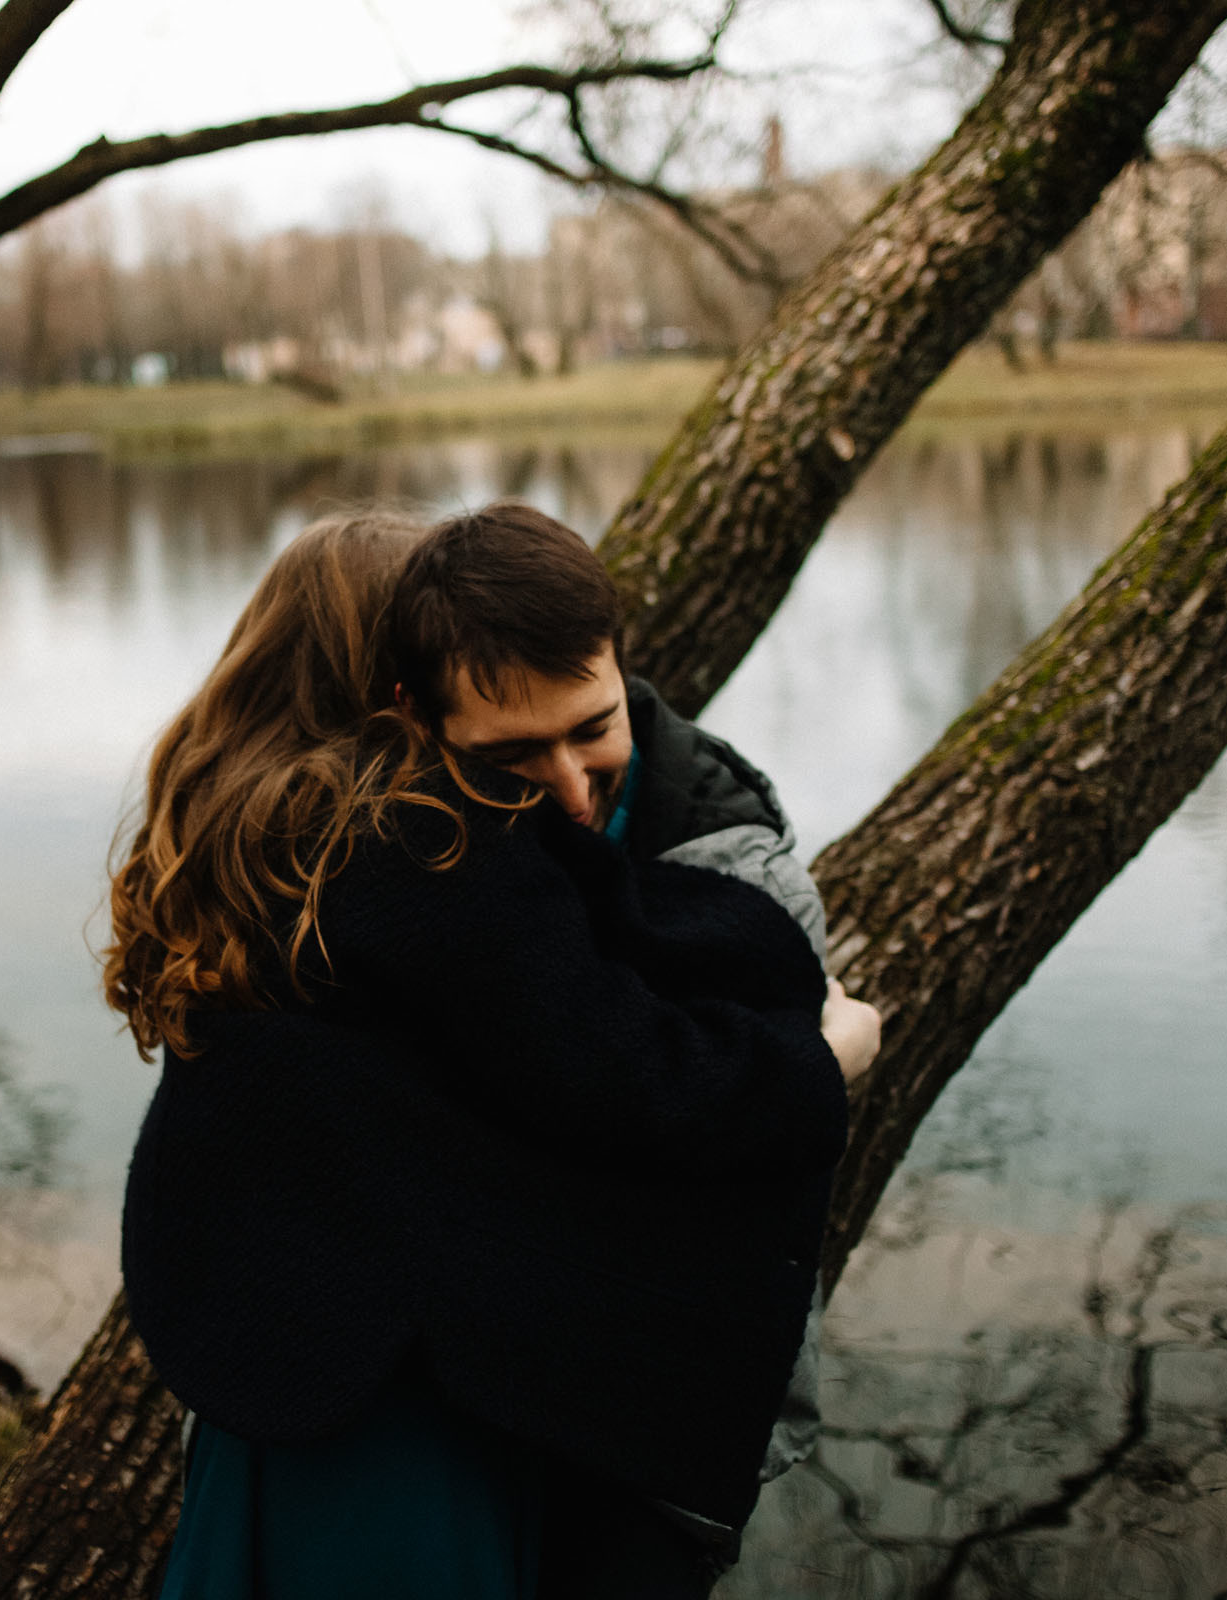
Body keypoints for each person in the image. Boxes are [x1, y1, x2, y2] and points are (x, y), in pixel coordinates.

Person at [108, 508, 874, 1599]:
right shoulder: (425, 853)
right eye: (503, 743)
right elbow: (617, 1069)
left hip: (292, 1378)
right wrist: (822, 1056)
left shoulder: (261, 856)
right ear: (401, 696)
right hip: (411, 1399)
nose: (557, 789)